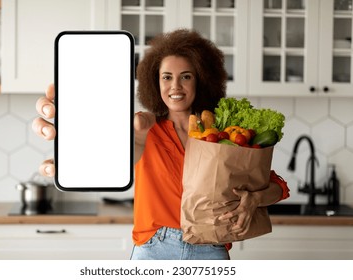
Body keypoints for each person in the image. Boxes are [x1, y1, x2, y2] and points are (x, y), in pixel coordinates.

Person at [32, 28, 290, 260]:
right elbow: (116, 156)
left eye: (186, 77)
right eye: (166, 77)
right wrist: (75, 151)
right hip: (154, 248)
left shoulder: (222, 136)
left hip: (211, 248)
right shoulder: (143, 128)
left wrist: (254, 199)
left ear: (201, 79)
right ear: (154, 83)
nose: (175, 86)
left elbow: (276, 184)